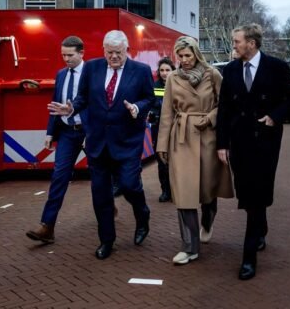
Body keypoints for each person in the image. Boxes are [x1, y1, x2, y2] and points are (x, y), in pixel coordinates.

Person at [49, 30, 155, 260]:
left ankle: (142, 215)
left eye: (118, 53)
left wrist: (137, 108)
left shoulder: (141, 71)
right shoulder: (92, 67)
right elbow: (83, 97)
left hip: (127, 141)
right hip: (98, 142)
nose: (114, 57)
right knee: (100, 194)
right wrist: (72, 108)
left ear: (127, 50)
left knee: (129, 185)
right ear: (103, 50)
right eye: (109, 52)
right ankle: (107, 240)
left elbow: (150, 98)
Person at [216, 24, 290, 280]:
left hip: (265, 141)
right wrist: (222, 144)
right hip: (239, 142)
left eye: (236, 41)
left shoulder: (276, 67)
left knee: (256, 195)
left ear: (251, 43)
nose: (233, 46)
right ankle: (261, 226)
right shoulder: (230, 70)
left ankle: (248, 257)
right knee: (246, 192)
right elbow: (223, 111)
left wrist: (275, 117)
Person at [156, 37, 234, 265]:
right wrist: (162, 144)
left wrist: (210, 118)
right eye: (180, 56)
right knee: (183, 193)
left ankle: (208, 220)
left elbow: (226, 105)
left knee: (208, 189)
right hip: (181, 138)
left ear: (196, 54)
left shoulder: (212, 75)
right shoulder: (172, 78)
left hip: (208, 137)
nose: (184, 60)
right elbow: (167, 112)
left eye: (188, 55)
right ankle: (189, 247)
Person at [26, 36, 87, 244]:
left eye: (70, 55)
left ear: (81, 53)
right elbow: (55, 104)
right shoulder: (61, 74)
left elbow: (95, 103)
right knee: (59, 176)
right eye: (63, 55)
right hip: (68, 132)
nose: (66, 59)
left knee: (101, 174)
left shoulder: (92, 73)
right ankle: (47, 226)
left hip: (89, 132)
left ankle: (108, 205)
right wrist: (50, 132)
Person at [150, 57, 175, 202]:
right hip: (159, 130)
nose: (165, 73)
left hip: (176, 129)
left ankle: (176, 189)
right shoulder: (155, 86)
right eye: (162, 70)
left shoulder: (178, 85)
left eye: (167, 70)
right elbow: (152, 104)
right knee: (161, 162)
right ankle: (165, 190)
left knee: (175, 162)